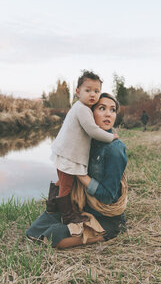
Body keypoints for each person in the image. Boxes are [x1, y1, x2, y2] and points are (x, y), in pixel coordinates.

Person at [27, 93, 127, 249]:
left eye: (112, 110)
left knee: (53, 238)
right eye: (102, 108)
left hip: (104, 217)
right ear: (90, 113)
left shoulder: (114, 150)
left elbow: (108, 196)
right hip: (82, 209)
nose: (108, 114)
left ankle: (106, 232)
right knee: (35, 231)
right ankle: (74, 222)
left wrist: (81, 175)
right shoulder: (85, 141)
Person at [48, 71, 119, 224]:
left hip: (64, 152)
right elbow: (92, 130)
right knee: (66, 185)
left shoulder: (80, 107)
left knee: (61, 182)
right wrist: (110, 137)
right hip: (68, 155)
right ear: (78, 91)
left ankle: (52, 206)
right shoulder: (82, 109)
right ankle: (67, 216)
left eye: (96, 91)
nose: (92, 94)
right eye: (88, 91)